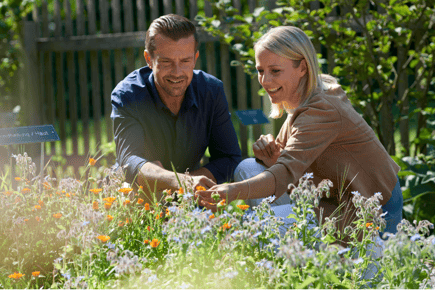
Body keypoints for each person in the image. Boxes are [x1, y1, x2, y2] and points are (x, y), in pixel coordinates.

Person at [196, 26, 403, 239]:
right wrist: (275, 155)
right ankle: (278, 251)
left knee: (267, 225)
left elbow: (282, 173)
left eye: (275, 71)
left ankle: (281, 252)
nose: (265, 81)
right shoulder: (303, 96)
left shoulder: (322, 109)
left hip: (373, 212)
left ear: (302, 67)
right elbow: (288, 161)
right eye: (260, 71)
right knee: (249, 168)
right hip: (332, 201)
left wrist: (230, 192)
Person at [111, 14, 242, 198]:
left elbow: (229, 158)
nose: (177, 72)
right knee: (128, 190)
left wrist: (186, 186)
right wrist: (184, 183)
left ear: (195, 58)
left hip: (192, 193)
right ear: (149, 59)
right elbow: (130, 162)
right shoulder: (128, 94)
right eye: (166, 61)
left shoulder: (211, 90)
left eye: (185, 61)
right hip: (142, 192)